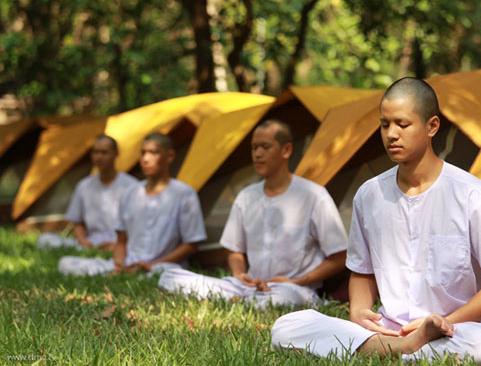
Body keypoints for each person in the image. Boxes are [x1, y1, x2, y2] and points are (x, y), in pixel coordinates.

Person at [271, 78, 481, 362]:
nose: (391, 134)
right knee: (286, 327)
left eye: (402, 125)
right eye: (384, 124)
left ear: (432, 126)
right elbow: (362, 271)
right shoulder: (369, 194)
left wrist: (445, 322)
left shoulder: (470, 194)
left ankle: (380, 352)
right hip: (389, 329)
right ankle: (403, 350)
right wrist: (358, 311)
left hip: (459, 330)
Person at [158, 119, 348, 308]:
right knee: (169, 277)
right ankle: (245, 300)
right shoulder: (246, 197)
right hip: (249, 287)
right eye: (254, 148)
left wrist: (299, 281)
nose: (257, 154)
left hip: (294, 290)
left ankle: (242, 303)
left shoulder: (313, 195)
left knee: (279, 300)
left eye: (265, 147)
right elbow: (234, 251)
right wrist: (240, 274)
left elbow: (340, 257)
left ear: (286, 150)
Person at [58, 132, 206, 276]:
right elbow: (121, 241)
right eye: (143, 153)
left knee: (170, 279)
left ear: (170, 156)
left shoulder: (184, 193)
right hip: (129, 263)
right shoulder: (131, 193)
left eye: (154, 153)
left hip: (163, 267)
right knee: (65, 263)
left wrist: (151, 265)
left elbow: (191, 244)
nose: (146, 159)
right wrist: (119, 265)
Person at [37, 135, 137, 251]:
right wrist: (84, 242)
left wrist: (118, 245)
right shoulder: (84, 185)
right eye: (95, 152)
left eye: (104, 153)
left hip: (121, 244)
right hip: (91, 242)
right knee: (44, 239)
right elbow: (77, 222)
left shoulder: (131, 186)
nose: (99, 157)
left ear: (116, 154)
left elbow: (137, 225)